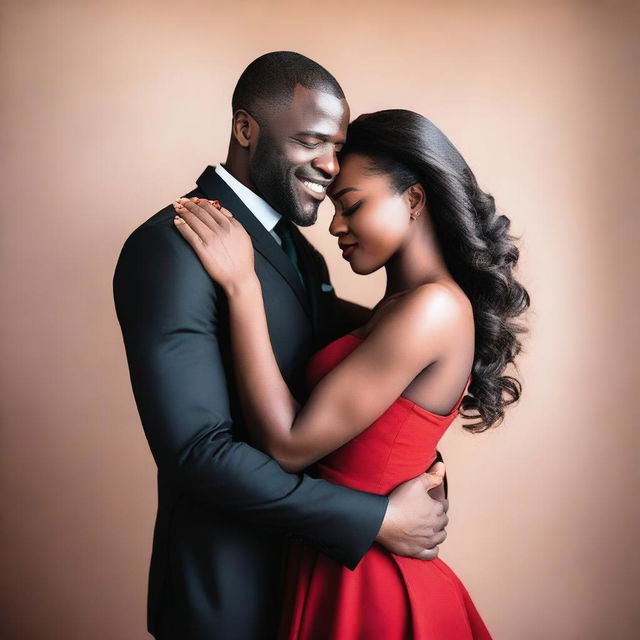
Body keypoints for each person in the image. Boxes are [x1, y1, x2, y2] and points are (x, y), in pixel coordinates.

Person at [113, 52, 452, 640]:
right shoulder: (172, 248)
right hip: (229, 599)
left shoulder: (301, 252)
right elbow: (199, 452)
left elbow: (363, 364)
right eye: (312, 141)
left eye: (337, 145)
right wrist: (375, 519)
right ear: (246, 128)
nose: (330, 163)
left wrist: (411, 465)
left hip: (315, 586)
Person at [172, 108, 530, 639]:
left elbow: (291, 446)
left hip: (374, 588)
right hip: (343, 560)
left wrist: (243, 285)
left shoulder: (431, 309)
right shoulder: (399, 307)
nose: (335, 223)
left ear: (413, 200)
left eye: (352, 204)